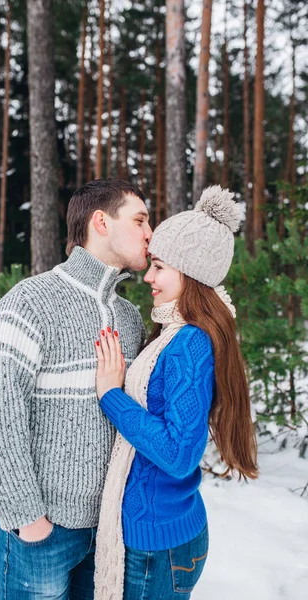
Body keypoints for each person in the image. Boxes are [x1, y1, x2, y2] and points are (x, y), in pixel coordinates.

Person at [0, 179, 152, 600]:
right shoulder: (30, 300)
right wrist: (28, 518)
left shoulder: (128, 316)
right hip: (44, 535)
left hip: (107, 531)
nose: (149, 232)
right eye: (139, 219)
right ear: (101, 222)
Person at [93, 185, 259, 600]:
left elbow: (179, 454)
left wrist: (111, 395)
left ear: (191, 274)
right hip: (163, 534)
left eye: (160, 267)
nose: (148, 276)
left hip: (157, 546)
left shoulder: (189, 343)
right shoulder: (176, 333)